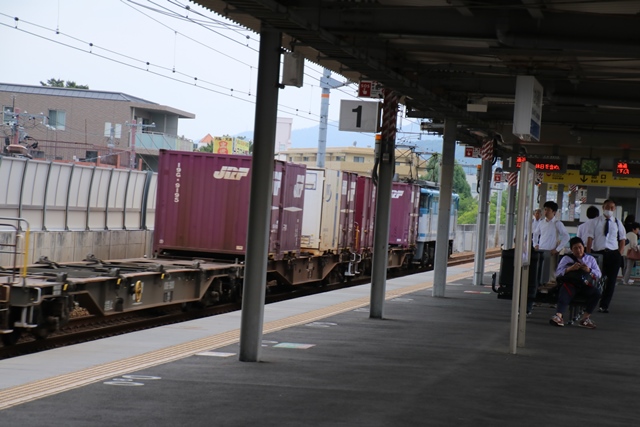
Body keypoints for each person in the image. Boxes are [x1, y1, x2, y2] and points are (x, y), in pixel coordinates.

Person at [549, 237, 602, 328]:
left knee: (596, 293)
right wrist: (570, 269)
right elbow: (557, 273)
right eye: (575, 248)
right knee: (565, 289)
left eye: (580, 247)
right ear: (571, 249)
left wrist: (589, 270)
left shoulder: (590, 259)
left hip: (584, 285)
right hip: (571, 284)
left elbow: (598, 274)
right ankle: (558, 316)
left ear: (583, 247)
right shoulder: (566, 258)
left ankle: (585, 318)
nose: (578, 250)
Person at [586, 199, 626, 313]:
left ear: (615, 209)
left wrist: (620, 252)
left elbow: (622, 239)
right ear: (603, 207)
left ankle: (604, 305)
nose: (610, 209)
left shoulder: (618, 222)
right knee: (596, 278)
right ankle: (591, 301)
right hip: (598, 253)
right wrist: (589, 254)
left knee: (611, 281)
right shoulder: (595, 222)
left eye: (612, 207)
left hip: (613, 254)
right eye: (608, 207)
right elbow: (590, 238)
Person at [533, 201, 570, 284]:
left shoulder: (557, 223)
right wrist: (535, 244)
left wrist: (557, 249)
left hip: (551, 252)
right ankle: (540, 287)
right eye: (545, 209)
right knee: (540, 271)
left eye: (548, 210)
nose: (545, 212)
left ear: (554, 212)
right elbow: (535, 234)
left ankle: (550, 290)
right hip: (541, 251)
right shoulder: (541, 223)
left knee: (550, 273)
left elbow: (566, 236)